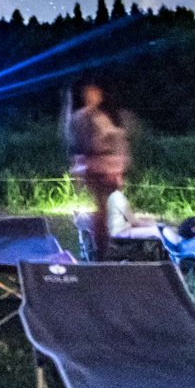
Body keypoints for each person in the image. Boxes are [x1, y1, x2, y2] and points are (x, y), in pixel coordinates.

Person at [65, 77, 129, 260]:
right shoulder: (81, 118)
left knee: (108, 210)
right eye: (90, 94)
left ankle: (106, 246)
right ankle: (101, 250)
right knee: (101, 210)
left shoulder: (101, 117)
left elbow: (114, 142)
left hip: (106, 168)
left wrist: (116, 161)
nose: (93, 98)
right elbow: (84, 143)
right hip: (96, 169)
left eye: (96, 94)